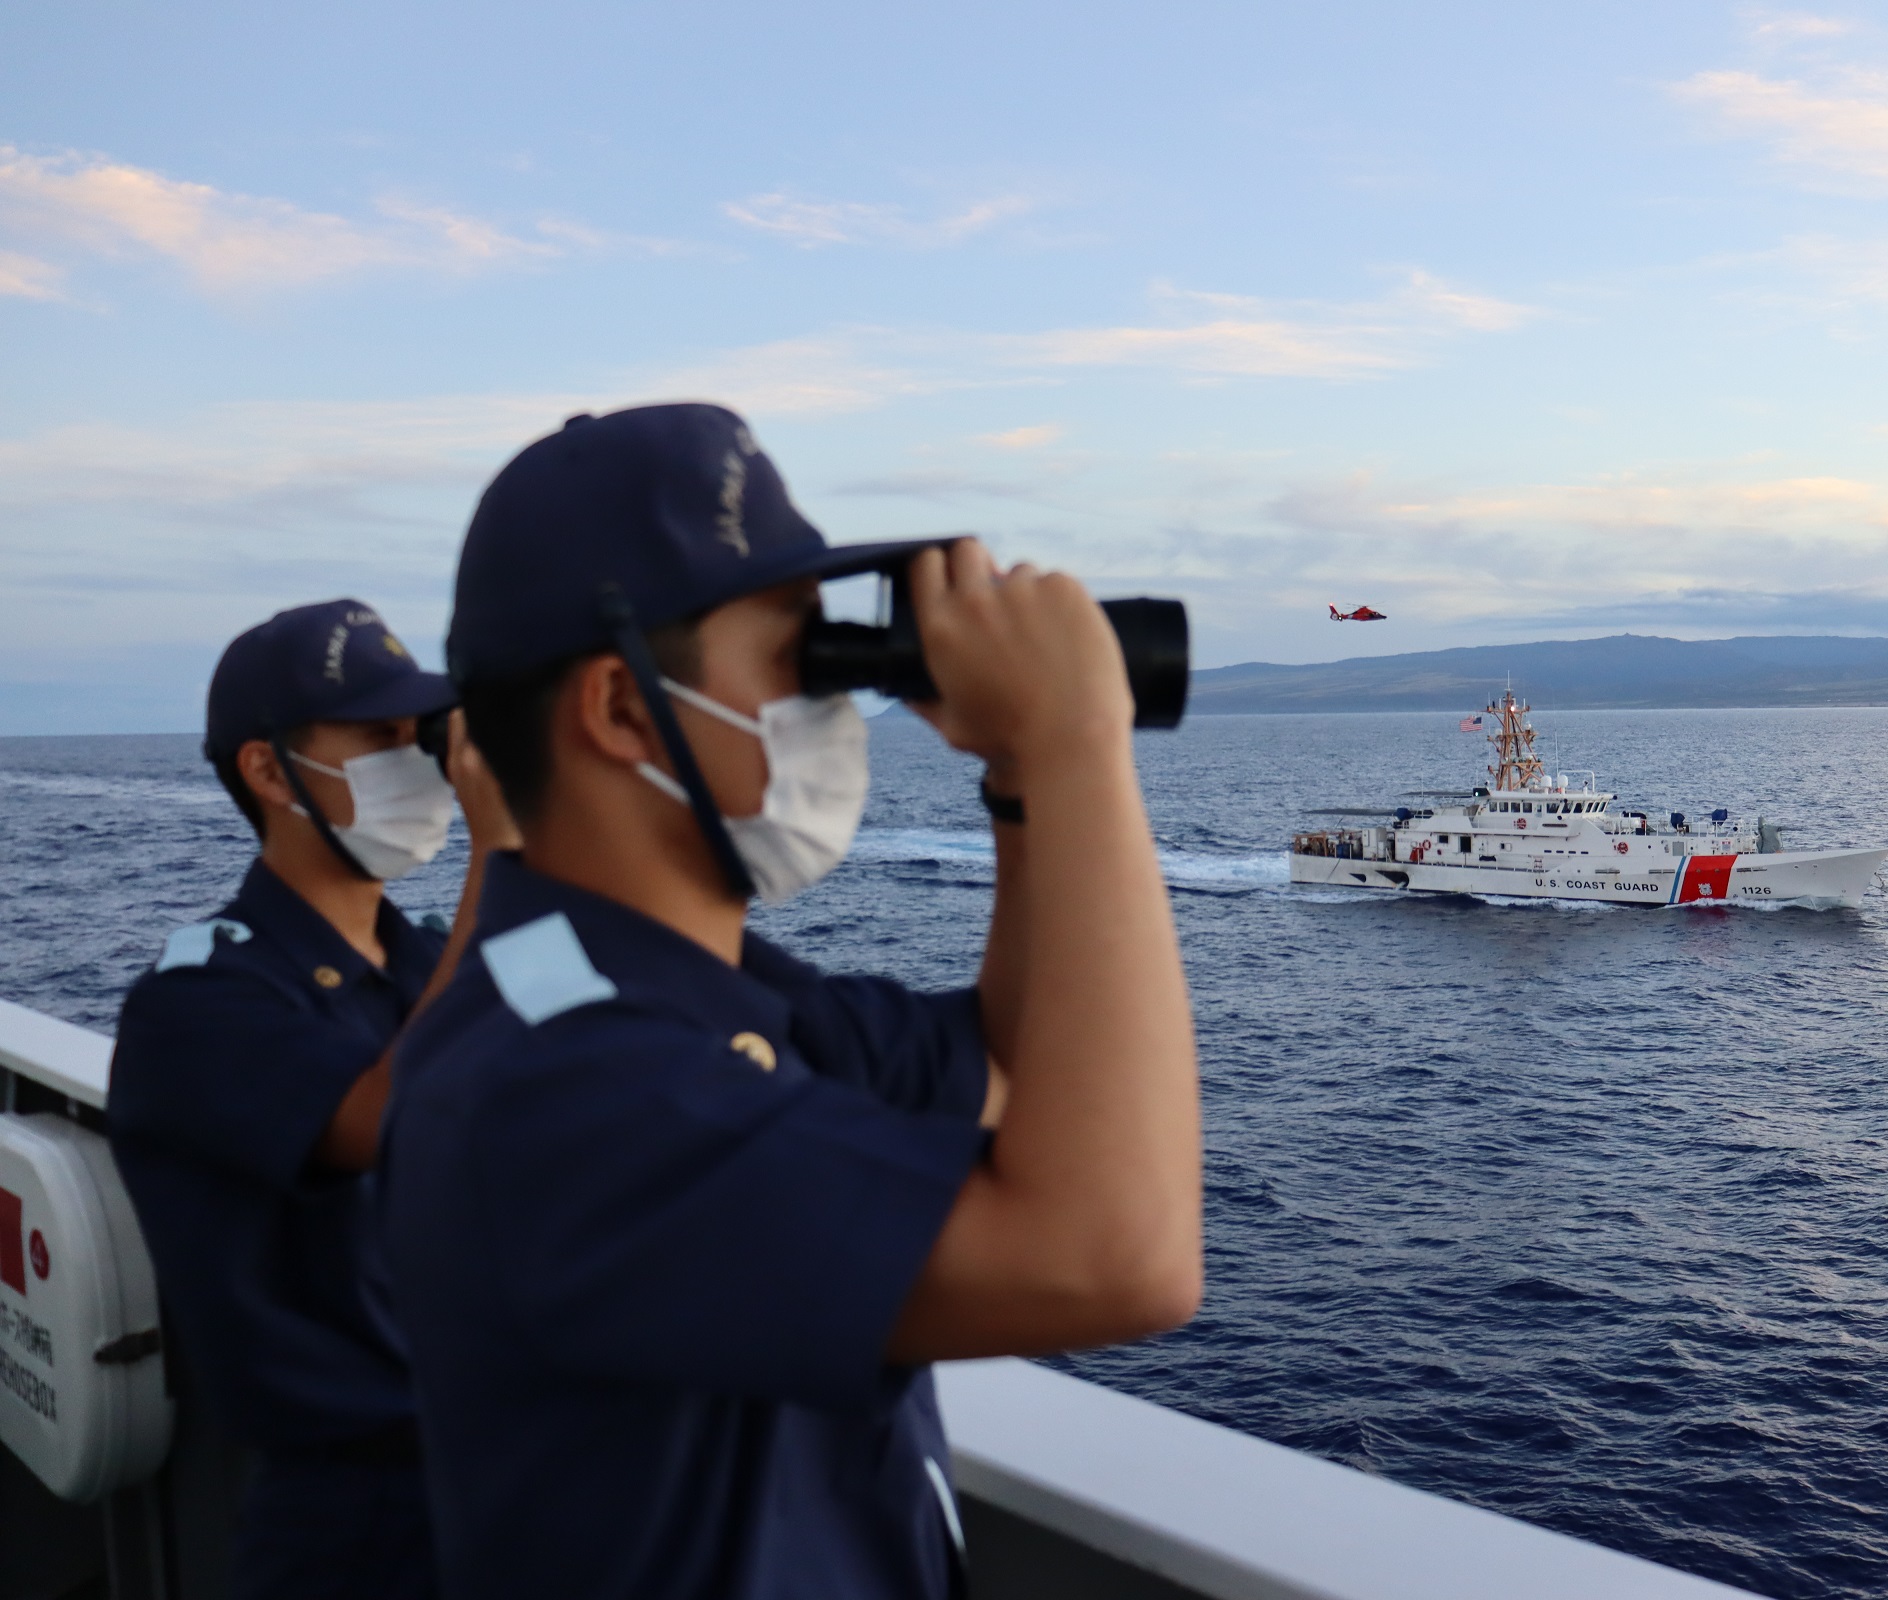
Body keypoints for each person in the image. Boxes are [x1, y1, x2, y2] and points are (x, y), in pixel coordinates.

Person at [380, 403, 1202, 1600]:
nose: (835, 709)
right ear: (618, 710)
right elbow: (1119, 1257)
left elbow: (1011, 1070)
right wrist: (1083, 744)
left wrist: (1024, 780)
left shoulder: (682, 1002)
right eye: (799, 663)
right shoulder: (558, 1090)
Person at [107, 599, 518, 1600]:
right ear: (266, 769)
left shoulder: (430, 957)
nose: (419, 763)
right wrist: (498, 850)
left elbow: (605, 1027)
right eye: (380, 736)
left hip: (514, 1483)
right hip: (361, 1529)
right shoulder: (193, 1003)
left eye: (424, 735)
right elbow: (395, 1112)